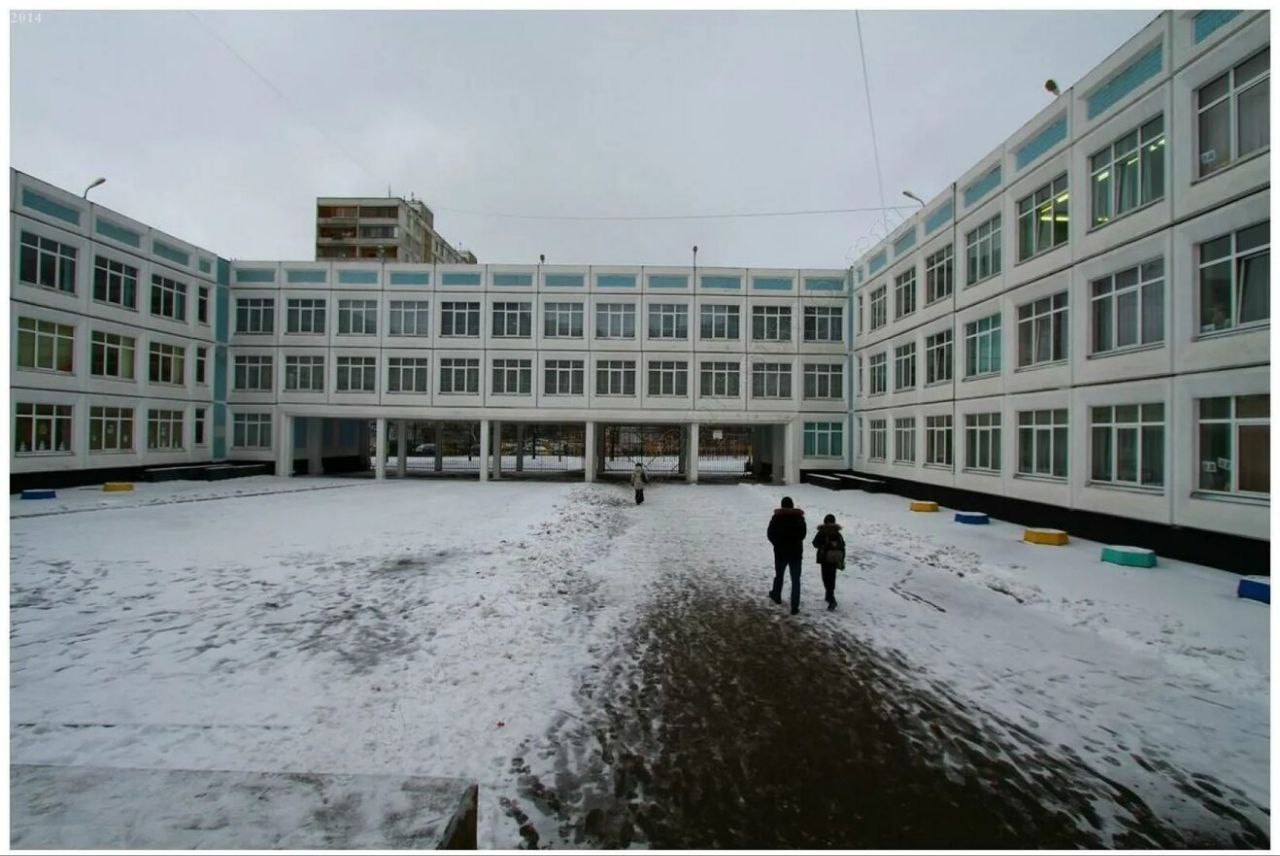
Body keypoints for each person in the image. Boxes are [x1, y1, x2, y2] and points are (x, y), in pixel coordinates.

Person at [766, 496, 807, 615]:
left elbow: (770, 534)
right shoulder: (799, 518)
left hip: (780, 553)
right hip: (796, 553)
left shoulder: (777, 517)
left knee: (779, 575)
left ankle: (776, 595)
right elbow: (803, 535)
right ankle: (794, 606)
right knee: (795, 580)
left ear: (782, 505)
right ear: (792, 505)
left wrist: (777, 544)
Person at [812, 514, 846, 610]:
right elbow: (843, 545)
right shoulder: (837, 533)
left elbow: (815, 543)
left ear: (825, 521)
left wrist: (823, 545)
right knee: (832, 577)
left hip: (825, 559)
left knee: (826, 578)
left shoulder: (822, 532)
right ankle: (829, 596)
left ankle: (831, 599)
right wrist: (842, 559)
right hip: (835, 559)